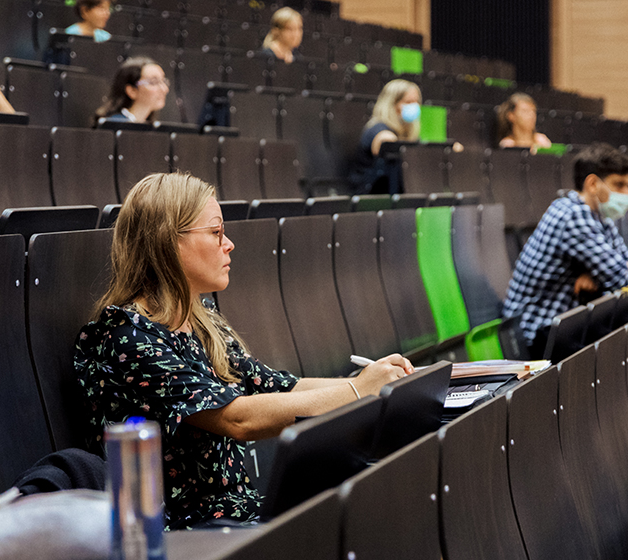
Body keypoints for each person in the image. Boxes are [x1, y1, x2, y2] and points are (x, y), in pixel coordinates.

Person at [74, 172, 413, 530]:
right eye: (216, 232)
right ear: (168, 242)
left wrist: (378, 383)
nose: (229, 244)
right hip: (181, 529)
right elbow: (237, 419)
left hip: (237, 510)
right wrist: (358, 391)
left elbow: (278, 386)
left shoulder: (202, 321)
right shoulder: (127, 337)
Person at [502, 142, 628, 359]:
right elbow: (622, 278)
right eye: (619, 185)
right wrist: (611, 275)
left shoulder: (600, 217)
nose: (626, 193)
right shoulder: (572, 216)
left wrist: (601, 277)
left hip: (566, 325)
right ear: (592, 183)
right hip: (536, 334)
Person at [348, 79, 422, 195]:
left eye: (416, 102)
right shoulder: (377, 129)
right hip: (371, 195)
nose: (414, 106)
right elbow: (386, 143)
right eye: (408, 102)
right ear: (392, 104)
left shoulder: (406, 133)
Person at [94, 57, 169, 125]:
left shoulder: (152, 127)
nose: (165, 89)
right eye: (154, 82)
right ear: (132, 91)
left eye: (163, 81)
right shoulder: (114, 126)